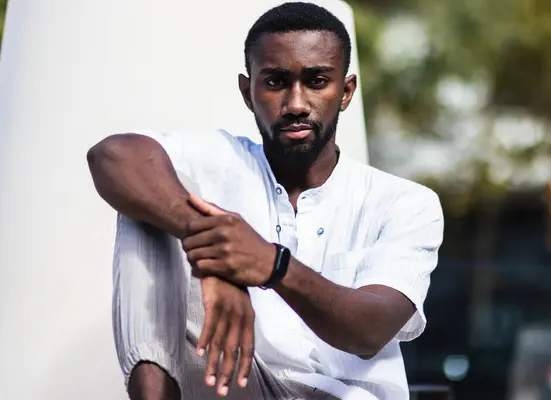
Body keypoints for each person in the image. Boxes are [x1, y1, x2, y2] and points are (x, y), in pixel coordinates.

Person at [87, 2, 444, 399]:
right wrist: (219, 258)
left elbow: (369, 331)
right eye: (275, 82)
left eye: (316, 82)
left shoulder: (405, 202)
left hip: (344, 395)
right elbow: (113, 155)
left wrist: (272, 266)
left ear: (345, 92)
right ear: (247, 91)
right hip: (240, 382)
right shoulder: (219, 159)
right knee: (146, 206)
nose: (295, 104)